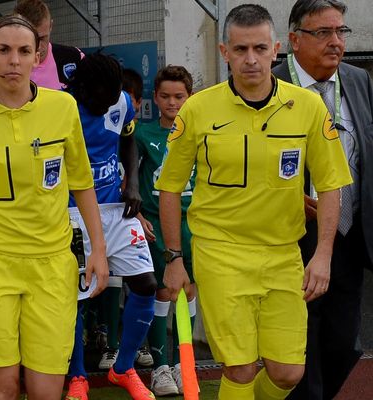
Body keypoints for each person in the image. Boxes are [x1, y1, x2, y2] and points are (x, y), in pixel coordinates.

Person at [156, 4, 352, 400]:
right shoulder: (197, 109)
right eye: (241, 49)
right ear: (225, 52)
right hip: (220, 253)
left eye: (260, 49)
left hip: (283, 255)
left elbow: (332, 183)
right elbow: (171, 187)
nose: (251, 60)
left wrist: (324, 253)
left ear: (276, 49)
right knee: (241, 368)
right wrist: (175, 258)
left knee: (287, 373)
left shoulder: (308, 107)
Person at [0, 15, 108, 400]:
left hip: (51, 265)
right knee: (3, 386)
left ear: (38, 55)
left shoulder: (62, 108)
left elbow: (82, 183)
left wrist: (98, 249)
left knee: (46, 390)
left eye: (24, 51)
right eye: (4, 50)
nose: (14, 60)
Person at [273, 1, 373, 398]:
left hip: (348, 232)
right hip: (291, 236)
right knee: (301, 344)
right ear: (294, 39)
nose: (336, 42)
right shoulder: (269, 83)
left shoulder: (358, 81)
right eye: (323, 33)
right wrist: (286, 194)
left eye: (341, 32)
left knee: (345, 345)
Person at [65, 52, 157, 400]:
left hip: (118, 209)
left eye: (114, 97)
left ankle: (123, 369)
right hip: (74, 214)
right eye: (102, 100)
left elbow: (127, 140)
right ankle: (77, 377)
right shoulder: (64, 107)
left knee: (146, 283)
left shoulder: (118, 99)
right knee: (76, 296)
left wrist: (131, 182)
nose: (109, 106)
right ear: (84, 90)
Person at [136, 65, 195, 396]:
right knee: (163, 292)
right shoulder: (144, 135)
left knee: (190, 291)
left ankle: (183, 365)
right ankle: (159, 368)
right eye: (165, 96)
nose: (172, 103)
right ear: (155, 98)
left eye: (179, 96)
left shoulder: (199, 130)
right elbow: (128, 179)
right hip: (158, 225)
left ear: (189, 97)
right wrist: (139, 216)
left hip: (195, 223)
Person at [0, 0, 83, 90]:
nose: (37, 46)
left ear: (50, 26)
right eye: (30, 39)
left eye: (42, 38)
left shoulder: (73, 58)